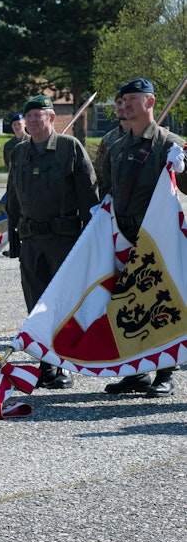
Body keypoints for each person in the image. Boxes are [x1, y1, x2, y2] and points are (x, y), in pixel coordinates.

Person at [98, 78, 187, 398]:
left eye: (132, 99)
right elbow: (108, 189)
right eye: (122, 101)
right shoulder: (117, 147)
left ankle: (165, 372)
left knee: (161, 302)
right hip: (123, 235)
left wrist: (183, 166)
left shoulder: (168, 143)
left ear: (149, 102)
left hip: (157, 237)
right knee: (127, 304)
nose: (125, 106)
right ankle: (135, 372)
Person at [6, 94, 99, 390]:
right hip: (32, 240)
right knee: (36, 304)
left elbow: (88, 194)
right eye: (29, 116)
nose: (33, 121)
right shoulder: (20, 153)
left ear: (51, 118)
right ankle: (46, 362)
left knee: (62, 304)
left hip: (64, 239)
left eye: (39, 115)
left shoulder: (68, 148)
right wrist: (15, 239)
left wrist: (90, 239)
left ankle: (63, 364)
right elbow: (13, 199)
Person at [93, 89, 129, 180]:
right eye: (119, 103)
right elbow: (98, 173)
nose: (122, 107)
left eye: (125, 102)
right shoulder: (108, 139)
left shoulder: (147, 137)